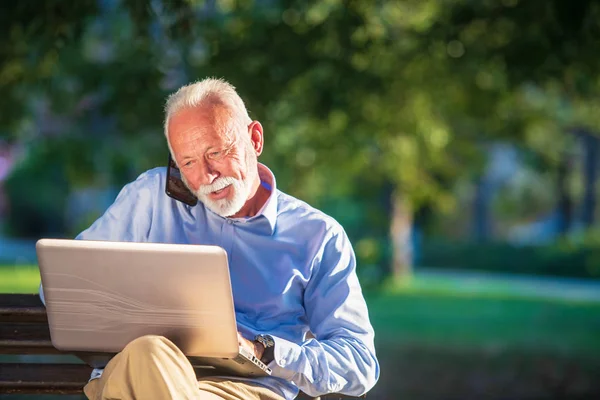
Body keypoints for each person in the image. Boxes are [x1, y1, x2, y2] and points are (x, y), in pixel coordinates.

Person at [42, 78, 379, 400]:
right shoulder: (150, 198)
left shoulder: (317, 235)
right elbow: (62, 286)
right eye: (188, 162)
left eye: (216, 152)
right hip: (134, 372)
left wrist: (264, 350)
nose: (206, 175)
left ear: (255, 139)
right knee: (150, 352)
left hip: (243, 389)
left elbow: (359, 362)